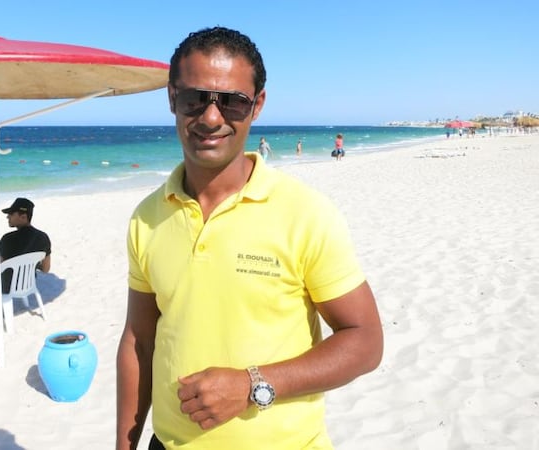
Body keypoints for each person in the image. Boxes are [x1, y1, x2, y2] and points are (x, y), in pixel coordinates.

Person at [116, 27, 383, 449]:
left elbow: (365, 340)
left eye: (232, 102)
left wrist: (252, 383)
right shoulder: (147, 218)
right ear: (172, 98)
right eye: (194, 98)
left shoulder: (305, 213)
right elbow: (139, 340)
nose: (210, 117)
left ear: (256, 106)